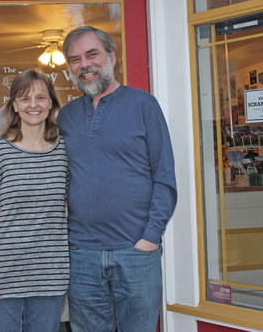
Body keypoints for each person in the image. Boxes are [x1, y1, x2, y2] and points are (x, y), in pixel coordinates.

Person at [58, 26, 177, 332]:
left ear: (112, 56)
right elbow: (49, 172)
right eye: (75, 59)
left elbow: (164, 177)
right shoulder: (66, 116)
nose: (84, 64)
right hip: (81, 254)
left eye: (92, 54)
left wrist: (150, 239)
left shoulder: (143, 105)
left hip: (136, 253)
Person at [0, 69, 70, 332]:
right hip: (2, 274)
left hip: (50, 274)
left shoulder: (64, 150)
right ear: (13, 104)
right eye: (25, 99)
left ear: (51, 103)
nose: (33, 105)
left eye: (41, 98)